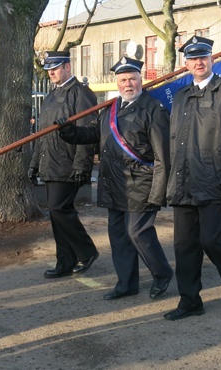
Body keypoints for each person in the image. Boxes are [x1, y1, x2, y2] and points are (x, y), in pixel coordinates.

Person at [57, 57, 174, 300]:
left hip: (141, 182)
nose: (128, 84)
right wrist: (70, 132)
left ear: (141, 80)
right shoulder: (110, 108)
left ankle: (161, 273)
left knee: (138, 232)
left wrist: (159, 192)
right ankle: (126, 283)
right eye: (123, 80)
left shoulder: (153, 109)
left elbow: (163, 155)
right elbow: (93, 134)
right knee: (119, 236)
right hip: (113, 182)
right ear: (117, 82)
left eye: (132, 78)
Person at [164, 36, 221, 320]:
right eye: (192, 58)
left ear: (212, 60)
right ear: (185, 63)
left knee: (212, 240)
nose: (198, 62)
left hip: (214, 182)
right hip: (183, 184)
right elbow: (175, 141)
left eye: (203, 57)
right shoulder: (180, 96)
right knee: (184, 246)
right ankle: (190, 300)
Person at [28, 51, 99, 279]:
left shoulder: (81, 94)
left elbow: (88, 132)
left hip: (69, 163)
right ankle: (65, 261)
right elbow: (42, 133)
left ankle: (86, 251)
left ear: (67, 66)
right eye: (49, 69)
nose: (51, 72)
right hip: (50, 162)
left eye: (55, 68)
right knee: (57, 213)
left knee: (59, 208)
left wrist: (82, 165)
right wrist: (34, 163)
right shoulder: (50, 96)